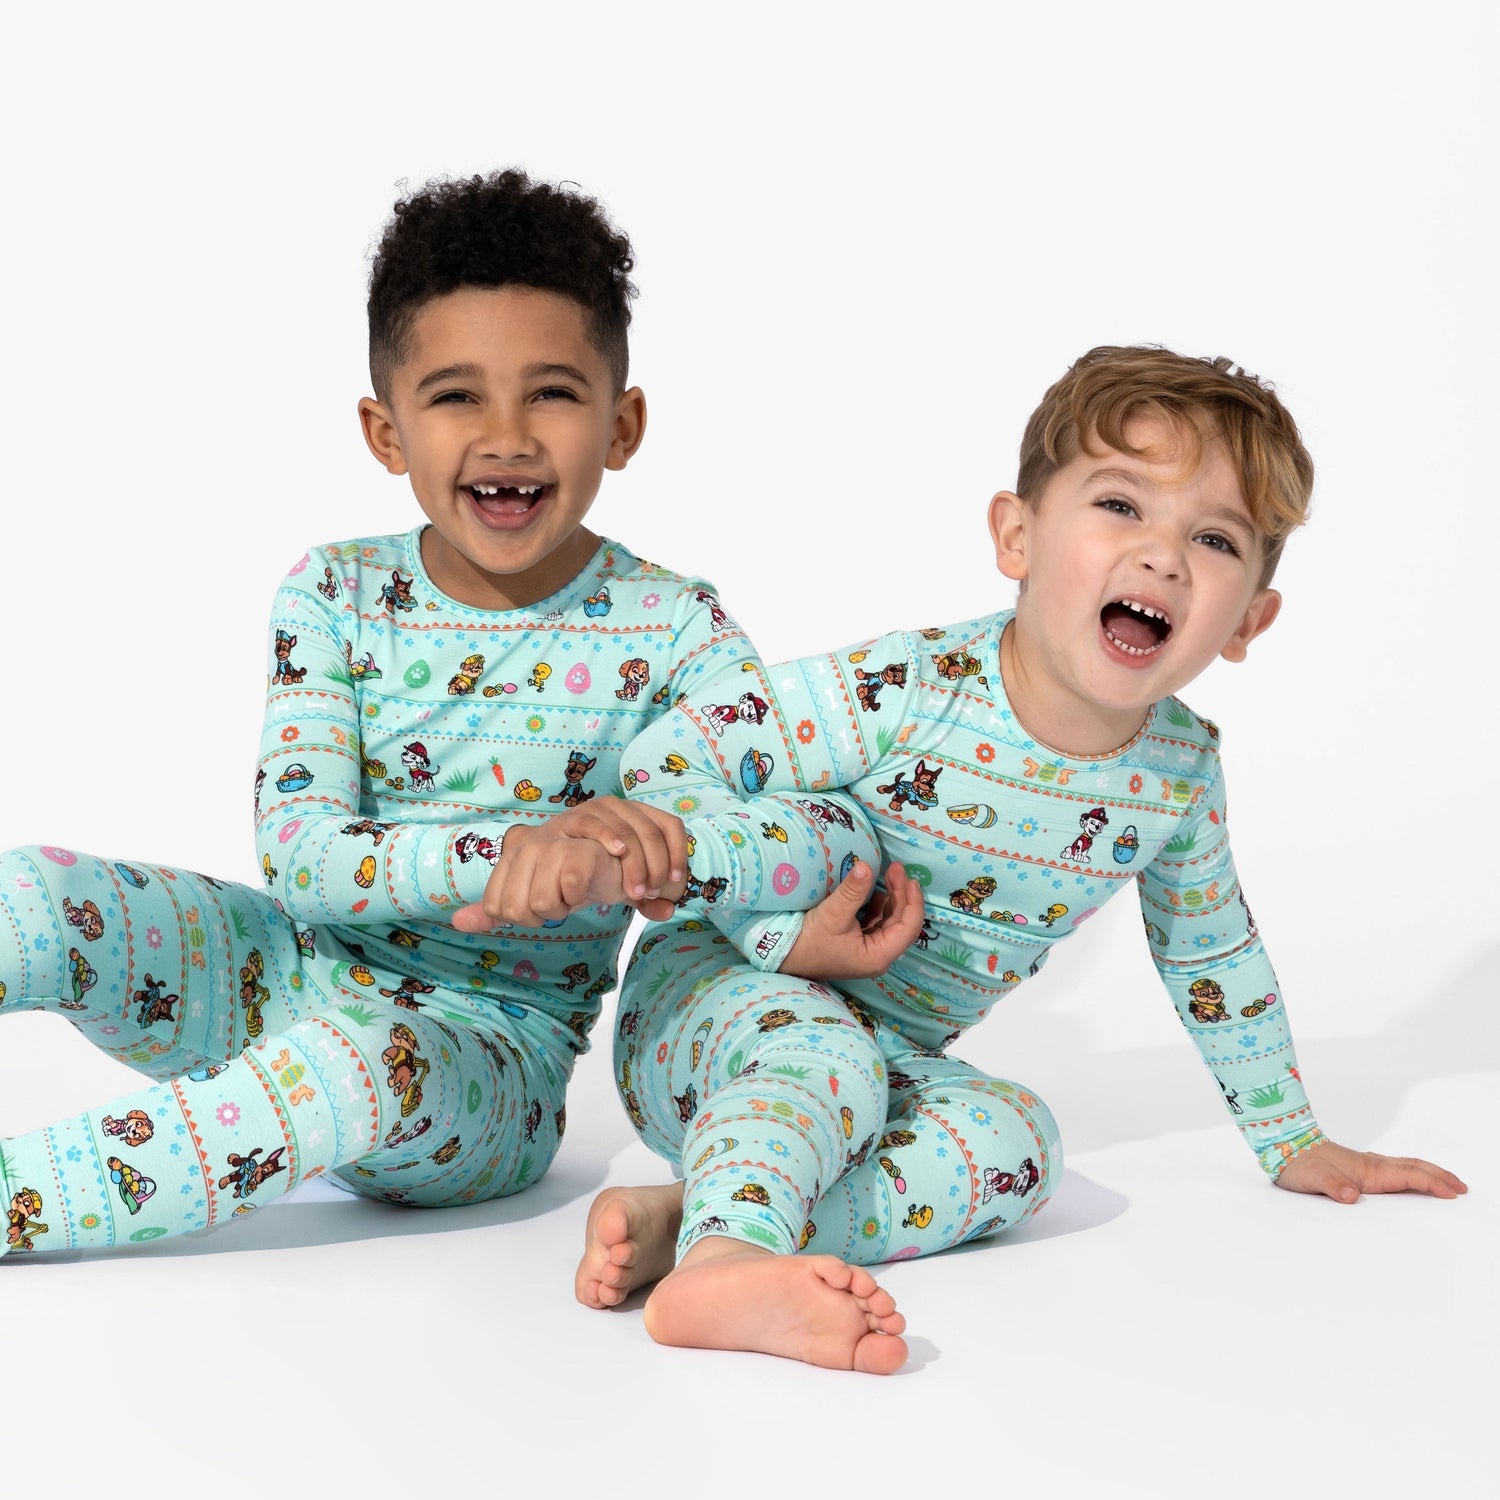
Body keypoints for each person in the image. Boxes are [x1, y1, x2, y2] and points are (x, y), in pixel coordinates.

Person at [0, 169, 878, 1258]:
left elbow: (820, 829)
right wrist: (517, 851)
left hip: (484, 1065)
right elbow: (301, 854)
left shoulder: (674, 629)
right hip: (285, 971)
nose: (506, 436)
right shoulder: (334, 593)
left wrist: (675, 854)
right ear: (387, 432)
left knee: (352, 1063)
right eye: (458, 396)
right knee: (30, 894)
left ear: (622, 424)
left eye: (552, 393)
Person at [572, 345, 1468, 1374]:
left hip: (878, 1057)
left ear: (1249, 621)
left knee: (1020, 1149)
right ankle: (727, 1262)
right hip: (708, 1004)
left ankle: (701, 1225)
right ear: (1017, 536)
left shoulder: (1177, 774)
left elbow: (1212, 955)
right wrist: (778, 934)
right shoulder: (908, 689)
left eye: (1214, 539)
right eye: (1121, 506)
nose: (1164, 558)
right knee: (825, 935)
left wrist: (1292, 1139)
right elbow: (671, 757)